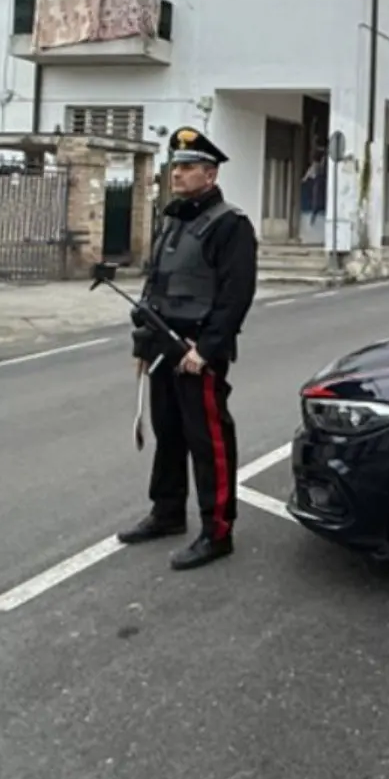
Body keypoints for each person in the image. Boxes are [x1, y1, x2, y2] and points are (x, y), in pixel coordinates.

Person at [117, 126, 260, 571]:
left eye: (187, 167)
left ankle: (218, 531)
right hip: (163, 344)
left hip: (197, 350)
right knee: (168, 433)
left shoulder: (230, 225)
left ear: (210, 175)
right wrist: (143, 343)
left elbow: (237, 295)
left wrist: (209, 349)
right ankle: (167, 512)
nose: (176, 174)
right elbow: (154, 286)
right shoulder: (173, 217)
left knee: (209, 440)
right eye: (175, 167)